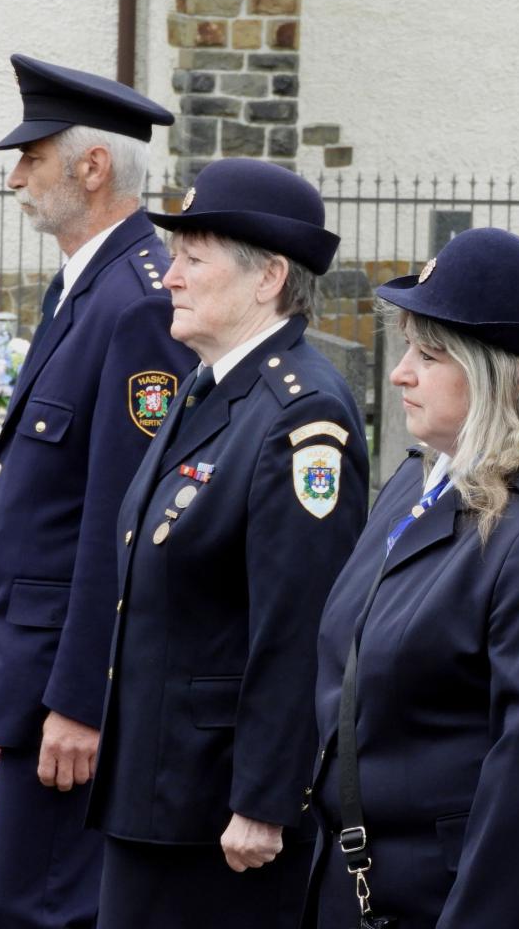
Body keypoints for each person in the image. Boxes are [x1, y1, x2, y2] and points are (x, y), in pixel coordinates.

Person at [85, 157, 369, 929]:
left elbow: (300, 623)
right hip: (158, 786)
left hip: (222, 813)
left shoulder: (302, 415)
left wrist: (266, 799)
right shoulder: (209, 385)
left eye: (192, 258)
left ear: (268, 276)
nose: (169, 277)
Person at [306, 227, 519, 929]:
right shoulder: (416, 485)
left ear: (511, 377)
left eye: (430, 354)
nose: (400, 373)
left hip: (442, 900)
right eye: (407, 348)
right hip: (352, 884)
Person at [0, 54, 192, 929]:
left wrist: (81, 701)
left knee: (40, 910)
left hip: (68, 694)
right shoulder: (83, 287)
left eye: (32, 156)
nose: (15, 176)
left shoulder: (136, 303)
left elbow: (120, 526)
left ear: (92, 167)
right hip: (35, 677)